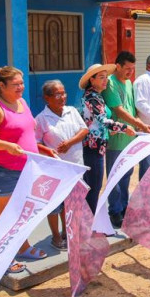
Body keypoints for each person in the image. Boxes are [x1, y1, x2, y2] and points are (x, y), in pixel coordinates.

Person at [0, 66, 56, 274]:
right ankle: (1, 255)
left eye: (22, 83)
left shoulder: (22, 102)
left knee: (22, 212)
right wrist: (6, 146)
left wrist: (42, 148)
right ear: (1, 86)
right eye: (15, 84)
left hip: (26, 167)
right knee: (4, 214)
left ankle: (22, 246)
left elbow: (25, 134)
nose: (21, 87)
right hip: (1, 169)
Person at [34, 80, 88, 250]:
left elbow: (84, 129)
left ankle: (67, 232)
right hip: (55, 169)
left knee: (71, 202)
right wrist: (48, 151)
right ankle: (56, 236)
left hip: (75, 165)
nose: (62, 97)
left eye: (63, 93)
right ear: (47, 98)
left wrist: (70, 143)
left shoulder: (71, 111)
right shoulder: (41, 119)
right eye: (57, 94)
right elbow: (34, 143)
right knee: (54, 205)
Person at [103, 51, 150, 228]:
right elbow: (119, 110)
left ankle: (124, 206)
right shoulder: (110, 83)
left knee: (126, 175)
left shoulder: (129, 84)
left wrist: (140, 123)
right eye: (127, 68)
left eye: (133, 69)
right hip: (116, 138)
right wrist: (138, 123)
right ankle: (114, 211)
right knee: (115, 176)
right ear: (118, 66)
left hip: (130, 138)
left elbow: (132, 108)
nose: (131, 72)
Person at [80, 63, 135, 216]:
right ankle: (89, 223)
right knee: (93, 186)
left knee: (95, 185)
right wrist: (124, 128)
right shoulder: (92, 97)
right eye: (101, 78)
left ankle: (91, 221)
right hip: (92, 147)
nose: (106, 81)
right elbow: (103, 121)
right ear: (92, 80)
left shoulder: (97, 96)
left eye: (106, 77)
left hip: (99, 146)